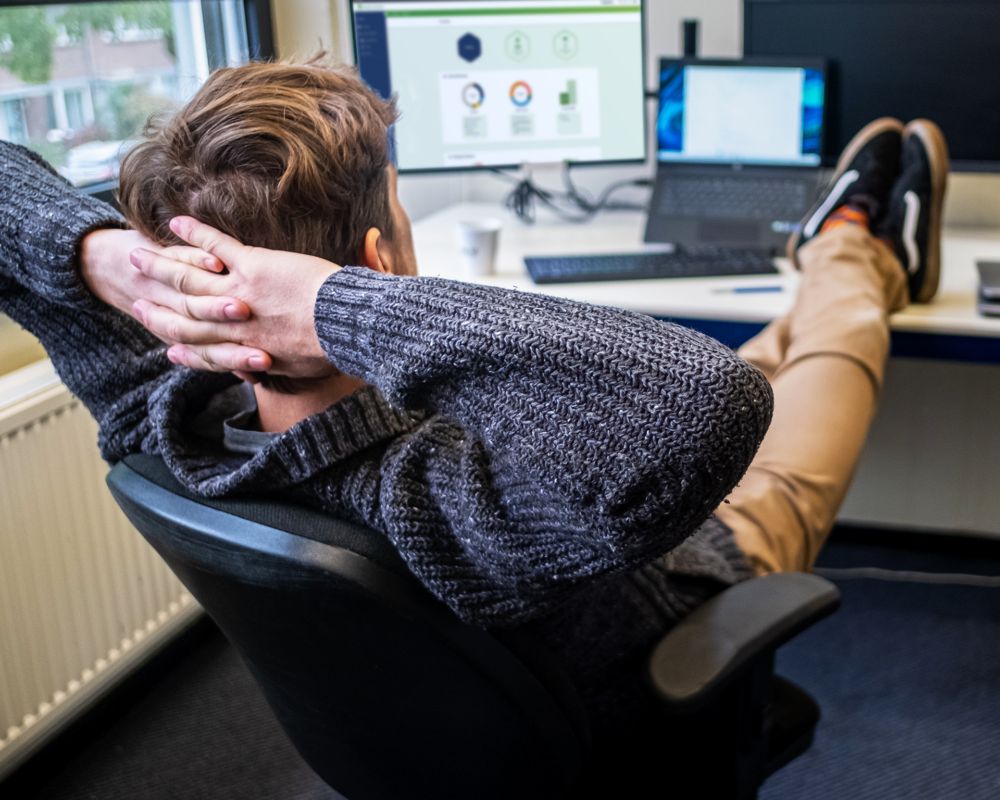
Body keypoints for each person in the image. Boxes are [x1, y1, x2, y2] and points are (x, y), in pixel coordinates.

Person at [0, 57, 947, 733]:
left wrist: (100, 254)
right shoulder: (445, 509)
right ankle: (859, 247)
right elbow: (706, 403)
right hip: (696, 564)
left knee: (779, 339)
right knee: (836, 347)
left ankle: (835, 252)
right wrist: (336, 306)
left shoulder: (161, 414)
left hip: (593, 515)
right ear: (380, 264)